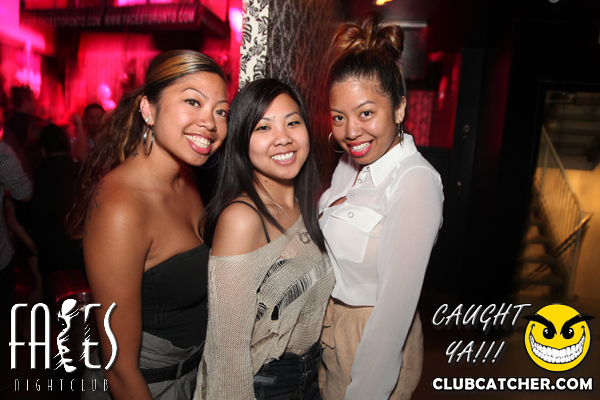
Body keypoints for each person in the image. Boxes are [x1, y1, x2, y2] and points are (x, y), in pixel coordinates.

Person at [66, 50, 229, 399]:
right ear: (149, 109)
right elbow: (119, 369)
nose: (211, 123)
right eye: (193, 101)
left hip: (192, 376)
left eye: (221, 111)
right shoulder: (120, 207)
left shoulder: (187, 177)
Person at [318, 13, 444, 400]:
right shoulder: (348, 163)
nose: (350, 131)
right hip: (332, 333)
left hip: (370, 341)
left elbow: (393, 314)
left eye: (366, 113)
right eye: (339, 117)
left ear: (400, 108)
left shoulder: (414, 181)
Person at [195, 78, 335, 400]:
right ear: (242, 141)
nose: (283, 138)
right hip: (264, 385)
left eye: (292, 123)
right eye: (264, 127)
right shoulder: (242, 219)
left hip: (307, 378)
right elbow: (227, 355)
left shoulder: (302, 206)